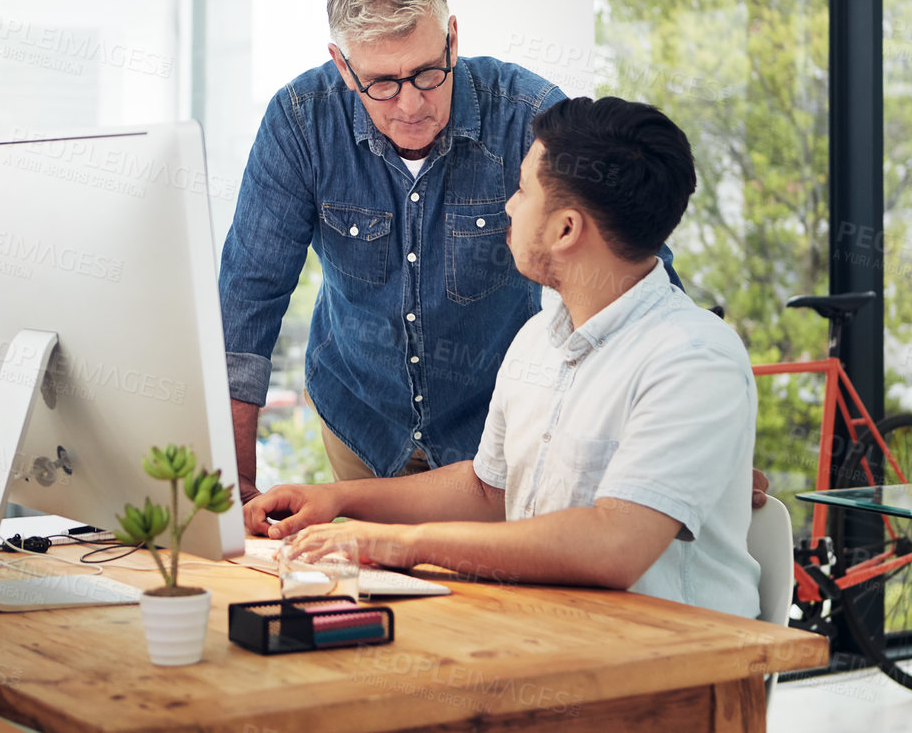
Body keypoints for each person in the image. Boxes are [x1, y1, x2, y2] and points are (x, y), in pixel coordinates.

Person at [243, 97, 761, 618]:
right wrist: (338, 501)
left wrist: (407, 543)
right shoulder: (538, 338)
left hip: (675, 665)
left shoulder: (693, 358)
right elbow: (486, 490)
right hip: (547, 639)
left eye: (521, 190)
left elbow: (616, 544)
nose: (508, 207)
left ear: (565, 230)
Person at [220, 0, 572, 500]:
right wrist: (233, 482)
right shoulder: (300, 121)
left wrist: (670, 446)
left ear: (452, 39)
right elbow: (246, 302)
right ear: (343, 66)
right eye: (381, 83)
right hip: (360, 420)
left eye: (428, 73)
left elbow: (624, 270)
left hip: (496, 430)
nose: (410, 105)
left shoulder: (529, 115)